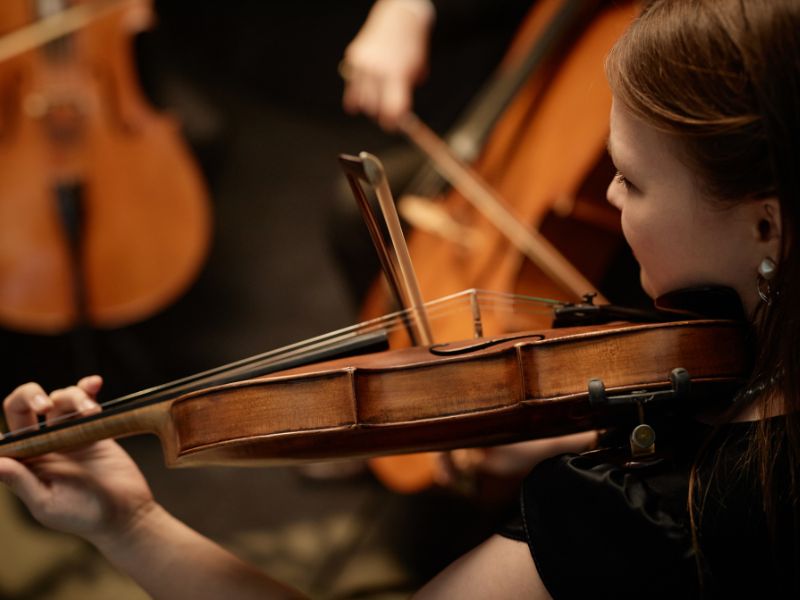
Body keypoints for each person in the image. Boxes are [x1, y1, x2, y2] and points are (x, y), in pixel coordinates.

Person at [0, 0, 798, 597]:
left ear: (767, 222)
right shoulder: (747, 357)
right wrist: (587, 430)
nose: (613, 197)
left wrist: (131, 524)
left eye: (629, 179)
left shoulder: (645, 515)